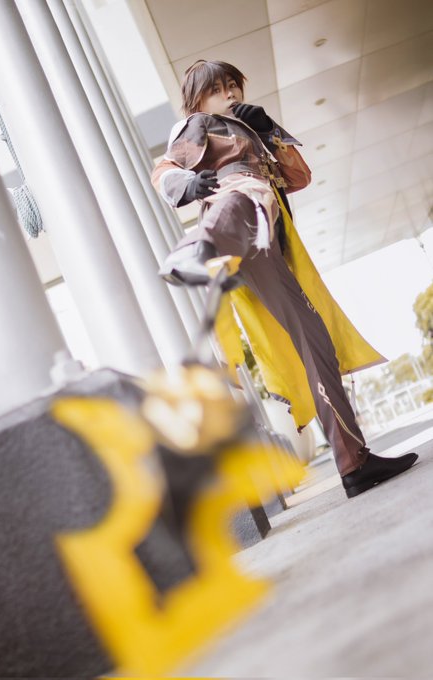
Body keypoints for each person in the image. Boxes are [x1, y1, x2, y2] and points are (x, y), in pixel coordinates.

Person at [151, 59, 417, 498]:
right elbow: (163, 171)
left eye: (233, 85)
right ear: (197, 99)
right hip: (241, 213)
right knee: (244, 195)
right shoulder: (198, 125)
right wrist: (188, 185)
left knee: (317, 342)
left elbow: (298, 177)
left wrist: (269, 130)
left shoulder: (247, 128)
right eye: (217, 89)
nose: (230, 94)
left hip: (269, 243)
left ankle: (354, 461)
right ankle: (196, 252)